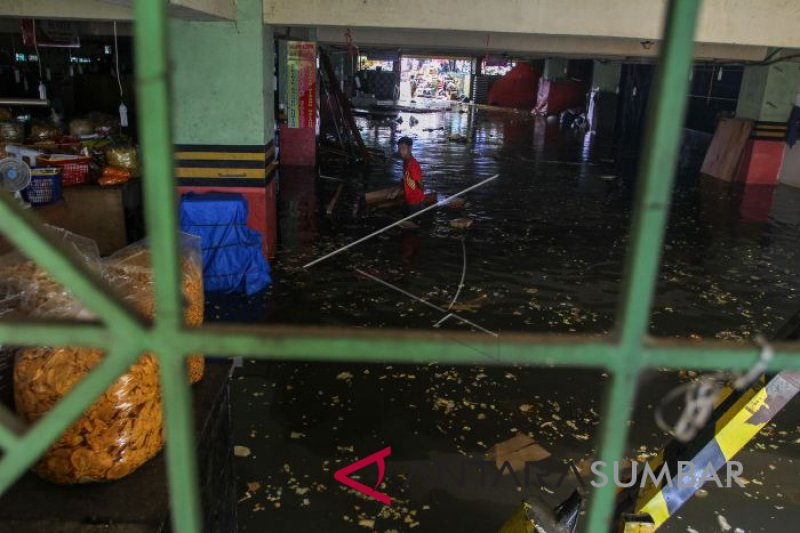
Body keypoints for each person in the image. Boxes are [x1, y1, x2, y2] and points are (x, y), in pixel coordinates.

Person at [397, 136, 425, 216]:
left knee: (415, 222)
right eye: (399, 148)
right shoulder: (406, 162)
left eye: (403, 148)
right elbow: (406, 179)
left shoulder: (412, 164)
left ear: (410, 148)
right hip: (410, 199)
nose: (400, 151)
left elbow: (420, 183)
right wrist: (398, 190)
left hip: (416, 201)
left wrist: (421, 196)